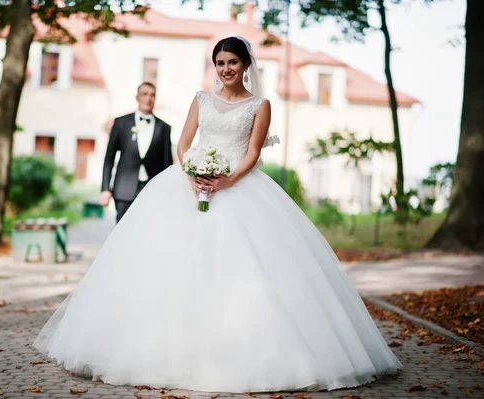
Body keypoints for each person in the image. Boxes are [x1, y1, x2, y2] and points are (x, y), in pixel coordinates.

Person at [34, 37, 401, 393]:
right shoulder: (201, 99)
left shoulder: (260, 105)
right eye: (220, 63)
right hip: (188, 187)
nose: (226, 69)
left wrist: (226, 181)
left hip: (239, 188)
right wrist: (193, 173)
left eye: (233, 62)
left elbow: (253, 153)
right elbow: (182, 143)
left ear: (245, 65)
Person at [99, 82, 173, 223]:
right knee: (121, 233)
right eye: (144, 94)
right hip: (123, 190)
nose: (148, 98)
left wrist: (167, 193)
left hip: (152, 191)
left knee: (147, 232)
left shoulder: (164, 128)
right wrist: (105, 188)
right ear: (137, 97)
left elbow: (167, 164)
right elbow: (109, 157)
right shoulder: (121, 123)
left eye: (152, 95)